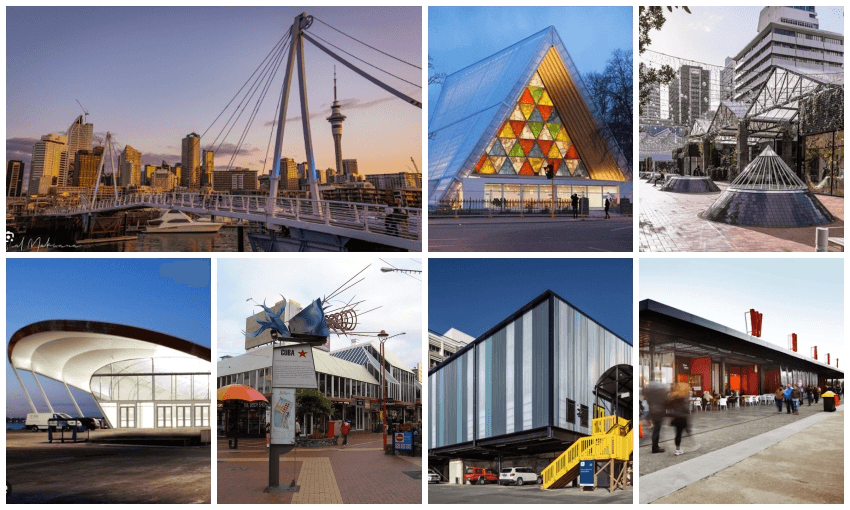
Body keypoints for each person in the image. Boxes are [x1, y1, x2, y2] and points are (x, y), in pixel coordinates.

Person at [643, 382, 668, 453]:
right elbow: (665, 402)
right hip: (658, 414)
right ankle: (655, 448)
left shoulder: (650, 396)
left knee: (656, 431)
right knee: (656, 431)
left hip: (653, 414)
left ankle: (656, 446)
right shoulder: (659, 396)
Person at [667, 382, 691, 456]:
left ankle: (678, 449)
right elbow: (686, 408)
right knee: (684, 431)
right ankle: (689, 441)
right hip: (683, 417)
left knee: (678, 434)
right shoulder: (684, 397)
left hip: (676, 417)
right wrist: (688, 411)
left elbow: (668, 406)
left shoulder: (673, 397)